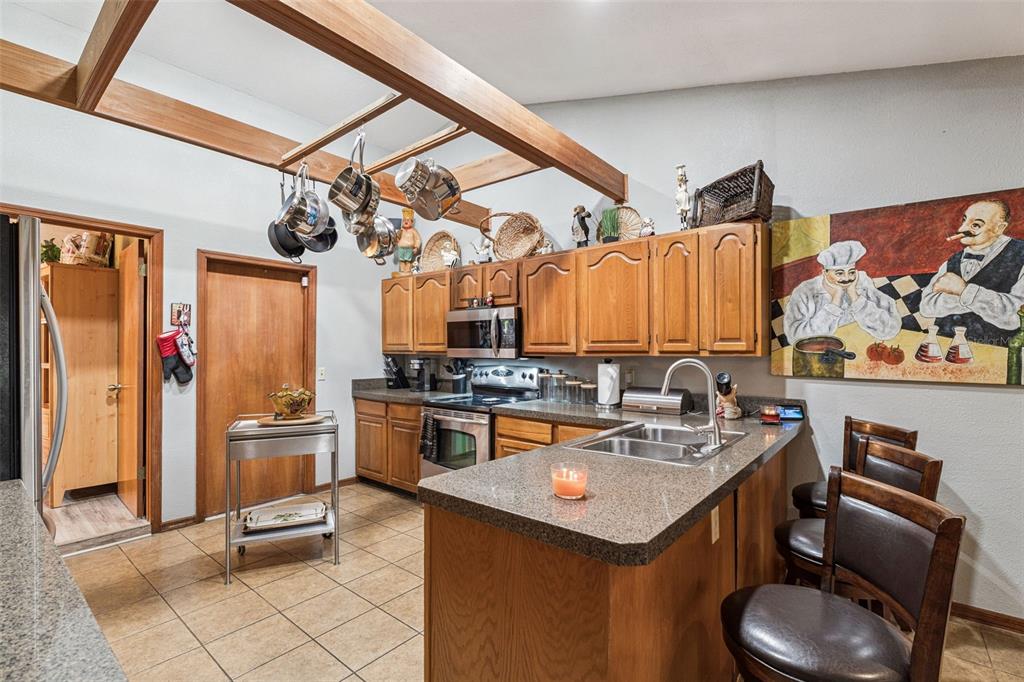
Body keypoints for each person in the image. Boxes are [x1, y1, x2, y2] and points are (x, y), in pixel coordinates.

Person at [920, 199, 1024, 346]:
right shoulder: (952, 261)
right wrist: (974, 300)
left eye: (976, 225)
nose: (962, 228)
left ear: (999, 228)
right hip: (946, 347)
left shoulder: (1021, 254)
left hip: (997, 351)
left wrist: (964, 291)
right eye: (964, 220)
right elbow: (926, 307)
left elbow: (1016, 316)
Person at [784, 240, 901, 342]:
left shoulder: (862, 283)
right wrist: (835, 302)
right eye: (839, 273)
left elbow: (890, 329)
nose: (847, 278)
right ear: (825, 273)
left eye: (851, 272)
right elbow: (796, 338)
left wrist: (855, 297)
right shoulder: (806, 292)